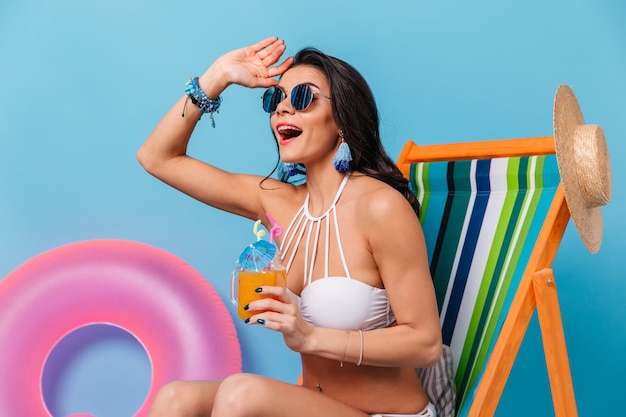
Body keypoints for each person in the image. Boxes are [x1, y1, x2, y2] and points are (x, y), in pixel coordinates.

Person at [137, 37, 442, 417]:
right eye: (275, 100)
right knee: (174, 399)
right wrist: (217, 77)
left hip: (388, 414)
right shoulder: (276, 202)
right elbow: (157, 157)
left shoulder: (380, 207)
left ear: (342, 120)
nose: (282, 109)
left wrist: (310, 336)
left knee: (241, 394)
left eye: (302, 98)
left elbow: (426, 343)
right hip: (315, 403)